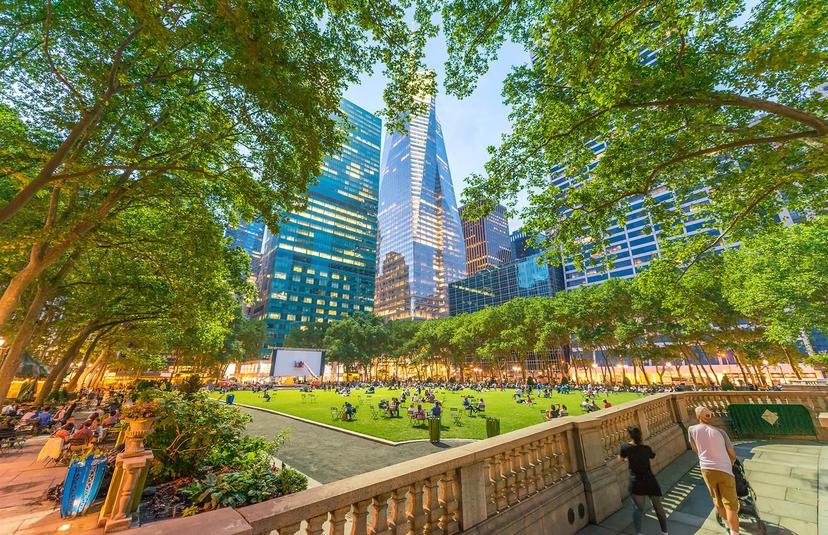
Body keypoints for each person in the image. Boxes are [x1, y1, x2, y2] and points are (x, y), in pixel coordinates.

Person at [688, 406, 739, 535]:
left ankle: (727, 525)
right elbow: (732, 454)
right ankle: (734, 532)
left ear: (698, 417)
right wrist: (731, 462)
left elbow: (695, 448)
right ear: (710, 416)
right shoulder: (721, 432)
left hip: (706, 468)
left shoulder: (691, 430)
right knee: (731, 504)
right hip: (724, 469)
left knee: (717, 499)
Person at [619, 426, 668, 535]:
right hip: (650, 481)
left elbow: (621, 458)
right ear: (640, 436)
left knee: (638, 509)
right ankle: (664, 532)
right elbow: (653, 456)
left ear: (629, 436)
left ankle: (639, 533)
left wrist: (629, 458)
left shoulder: (625, 447)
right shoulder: (645, 448)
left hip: (636, 481)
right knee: (658, 507)